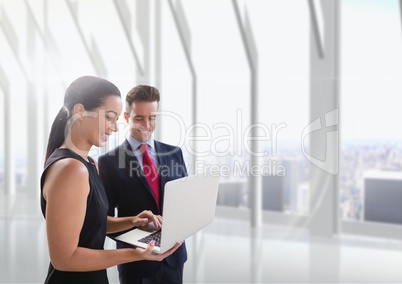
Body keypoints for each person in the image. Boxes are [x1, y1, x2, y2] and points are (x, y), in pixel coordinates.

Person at [40, 76, 180, 284]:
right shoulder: (72, 169)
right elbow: (64, 259)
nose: (115, 128)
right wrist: (135, 254)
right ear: (79, 111)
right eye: (109, 117)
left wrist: (132, 221)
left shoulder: (88, 163)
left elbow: (91, 222)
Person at [98, 85, 188, 284]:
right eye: (139, 118)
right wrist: (139, 238)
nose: (146, 124)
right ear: (127, 117)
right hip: (136, 263)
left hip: (174, 257)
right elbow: (103, 221)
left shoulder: (174, 154)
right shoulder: (109, 162)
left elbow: (184, 203)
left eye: (152, 117)